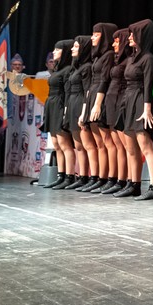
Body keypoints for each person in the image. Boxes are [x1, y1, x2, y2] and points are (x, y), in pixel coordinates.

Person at [118, 20, 153, 200]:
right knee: (130, 147)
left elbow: (148, 85)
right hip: (128, 101)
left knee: (145, 146)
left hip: (141, 101)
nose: (129, 37)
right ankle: (134, 184)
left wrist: (147, 109)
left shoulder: (148, 58)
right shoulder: (131, 58)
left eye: (133, 34)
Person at [81, 23, 117, 192]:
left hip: (100, 97)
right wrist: (86, 108)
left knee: (107, 141)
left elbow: (104, 80)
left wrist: (96, 104)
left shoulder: (109, 55)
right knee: (99, 142)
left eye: (96, 35)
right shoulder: (97, 57)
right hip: (93, 95)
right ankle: (99, 178)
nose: (92, 37)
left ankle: (110, 178)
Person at [97, 28, 132, 196]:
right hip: (111, 101)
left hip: (120, 101)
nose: (113, 45)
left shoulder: (128, 61)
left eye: (117, 41)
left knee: (125, 146)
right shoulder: (118, 60)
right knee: (117, 144)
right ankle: (116, 179)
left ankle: (127, 181)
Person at [41, 40, 75, 188]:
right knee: (56, 144)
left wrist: (65, 111)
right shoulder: (57, 69)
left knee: (64, 143)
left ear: (65, 52)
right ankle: (61, 175)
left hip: (60, 105)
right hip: (52, 105)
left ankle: (69, 176)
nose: (54, 52)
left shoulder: (67, 70)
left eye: (57, 50)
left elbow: (68, 92)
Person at [64, 35, 96, 190]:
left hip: (80, 104)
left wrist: (84, 113)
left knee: (88, 145)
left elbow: (87, 91)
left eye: (76, 46)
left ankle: (93, 177)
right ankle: (82, 176)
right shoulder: (76, 67)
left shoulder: (87, 67)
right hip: (72, 103)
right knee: (78, 145)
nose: (72, 49)